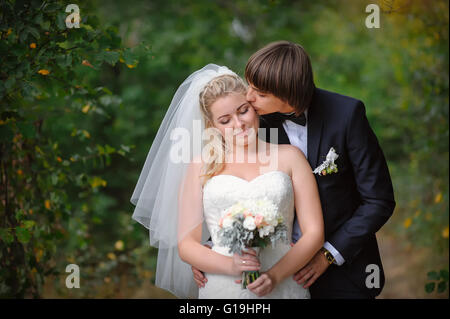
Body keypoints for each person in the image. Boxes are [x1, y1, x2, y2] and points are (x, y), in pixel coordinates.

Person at [192, 41, 396, 299]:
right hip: (268, 268)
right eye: (250, 86)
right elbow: (233, 181)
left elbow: (378, 200)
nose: (249, 97)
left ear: (288, 94)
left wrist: (327, 255)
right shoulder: (253, 119)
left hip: (341, 268)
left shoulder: (347, 115)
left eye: (260, 93)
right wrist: (213, 249)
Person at [130, 64, 324, 299]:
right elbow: (187, 245)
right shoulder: (201, 166)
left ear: (253, 106)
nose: (238, 124)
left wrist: (275, 275)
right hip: (224, 285)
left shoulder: (290, 156)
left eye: (243, 111)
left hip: (285, 279)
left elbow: (314, 232)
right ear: (213, 126)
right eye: (225, 120)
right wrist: (231, 265)